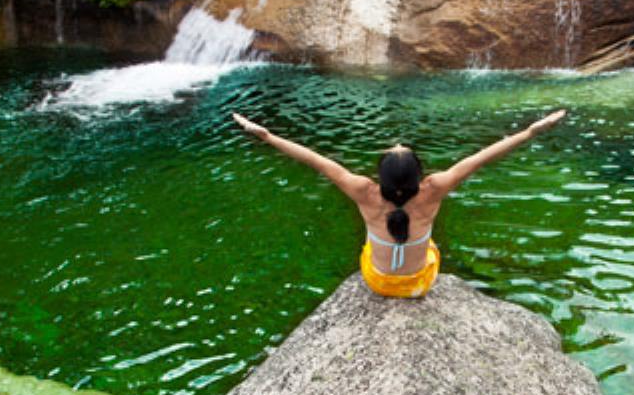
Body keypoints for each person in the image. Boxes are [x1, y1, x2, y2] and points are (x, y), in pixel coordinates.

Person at [230, 109, 567, 298]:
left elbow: (316, 161)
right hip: (420, 285)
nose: (397, 143)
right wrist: (529, 133)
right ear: (418, 175)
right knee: (428, 243)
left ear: (383, 177)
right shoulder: (433, 190)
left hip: (376, 282)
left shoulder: (364, 192)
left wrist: (268, 137)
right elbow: (480, 159)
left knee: (373, 243)